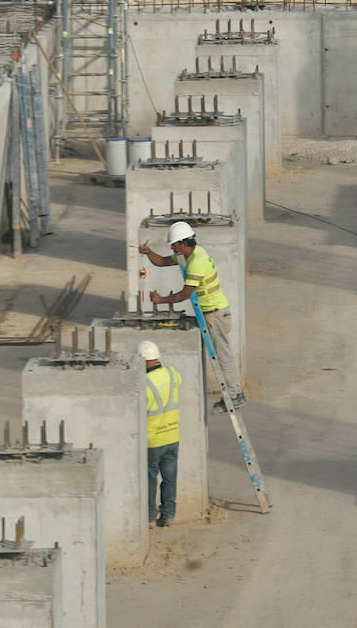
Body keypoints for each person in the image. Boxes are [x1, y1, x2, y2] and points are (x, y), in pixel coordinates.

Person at [140, 221, 245, 412]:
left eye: (174, 244)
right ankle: (234, 393)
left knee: (223, 356)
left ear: (183, 243)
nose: (172, 248)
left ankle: (234, 395)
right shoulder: (192, 253)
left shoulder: (197, 262)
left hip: (215, 314)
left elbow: (184, 294)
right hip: (211, 313)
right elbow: (162, 262)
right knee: (222, 353)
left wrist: (160, 300)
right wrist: (148, 252)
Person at [139, 340, 182, 528]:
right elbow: (179, 381)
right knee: (170, 477)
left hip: (153, 439)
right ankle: (168, 515)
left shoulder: (144, 383)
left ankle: (149, 517)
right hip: (172, 435)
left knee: (150, 479)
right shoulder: (172, 373)